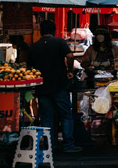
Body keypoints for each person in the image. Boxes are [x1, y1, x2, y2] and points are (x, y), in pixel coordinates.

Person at [27, 20, 82, 153]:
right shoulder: (59, 42)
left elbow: (29, 66)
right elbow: (69, 56)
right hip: (59, 84)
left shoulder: (34, 46)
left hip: (42, 87)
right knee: (66, 115)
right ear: (54, 30)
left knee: (47, 118)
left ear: (40, 31)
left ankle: (49, 146)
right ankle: (68, 144)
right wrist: (69, 70)